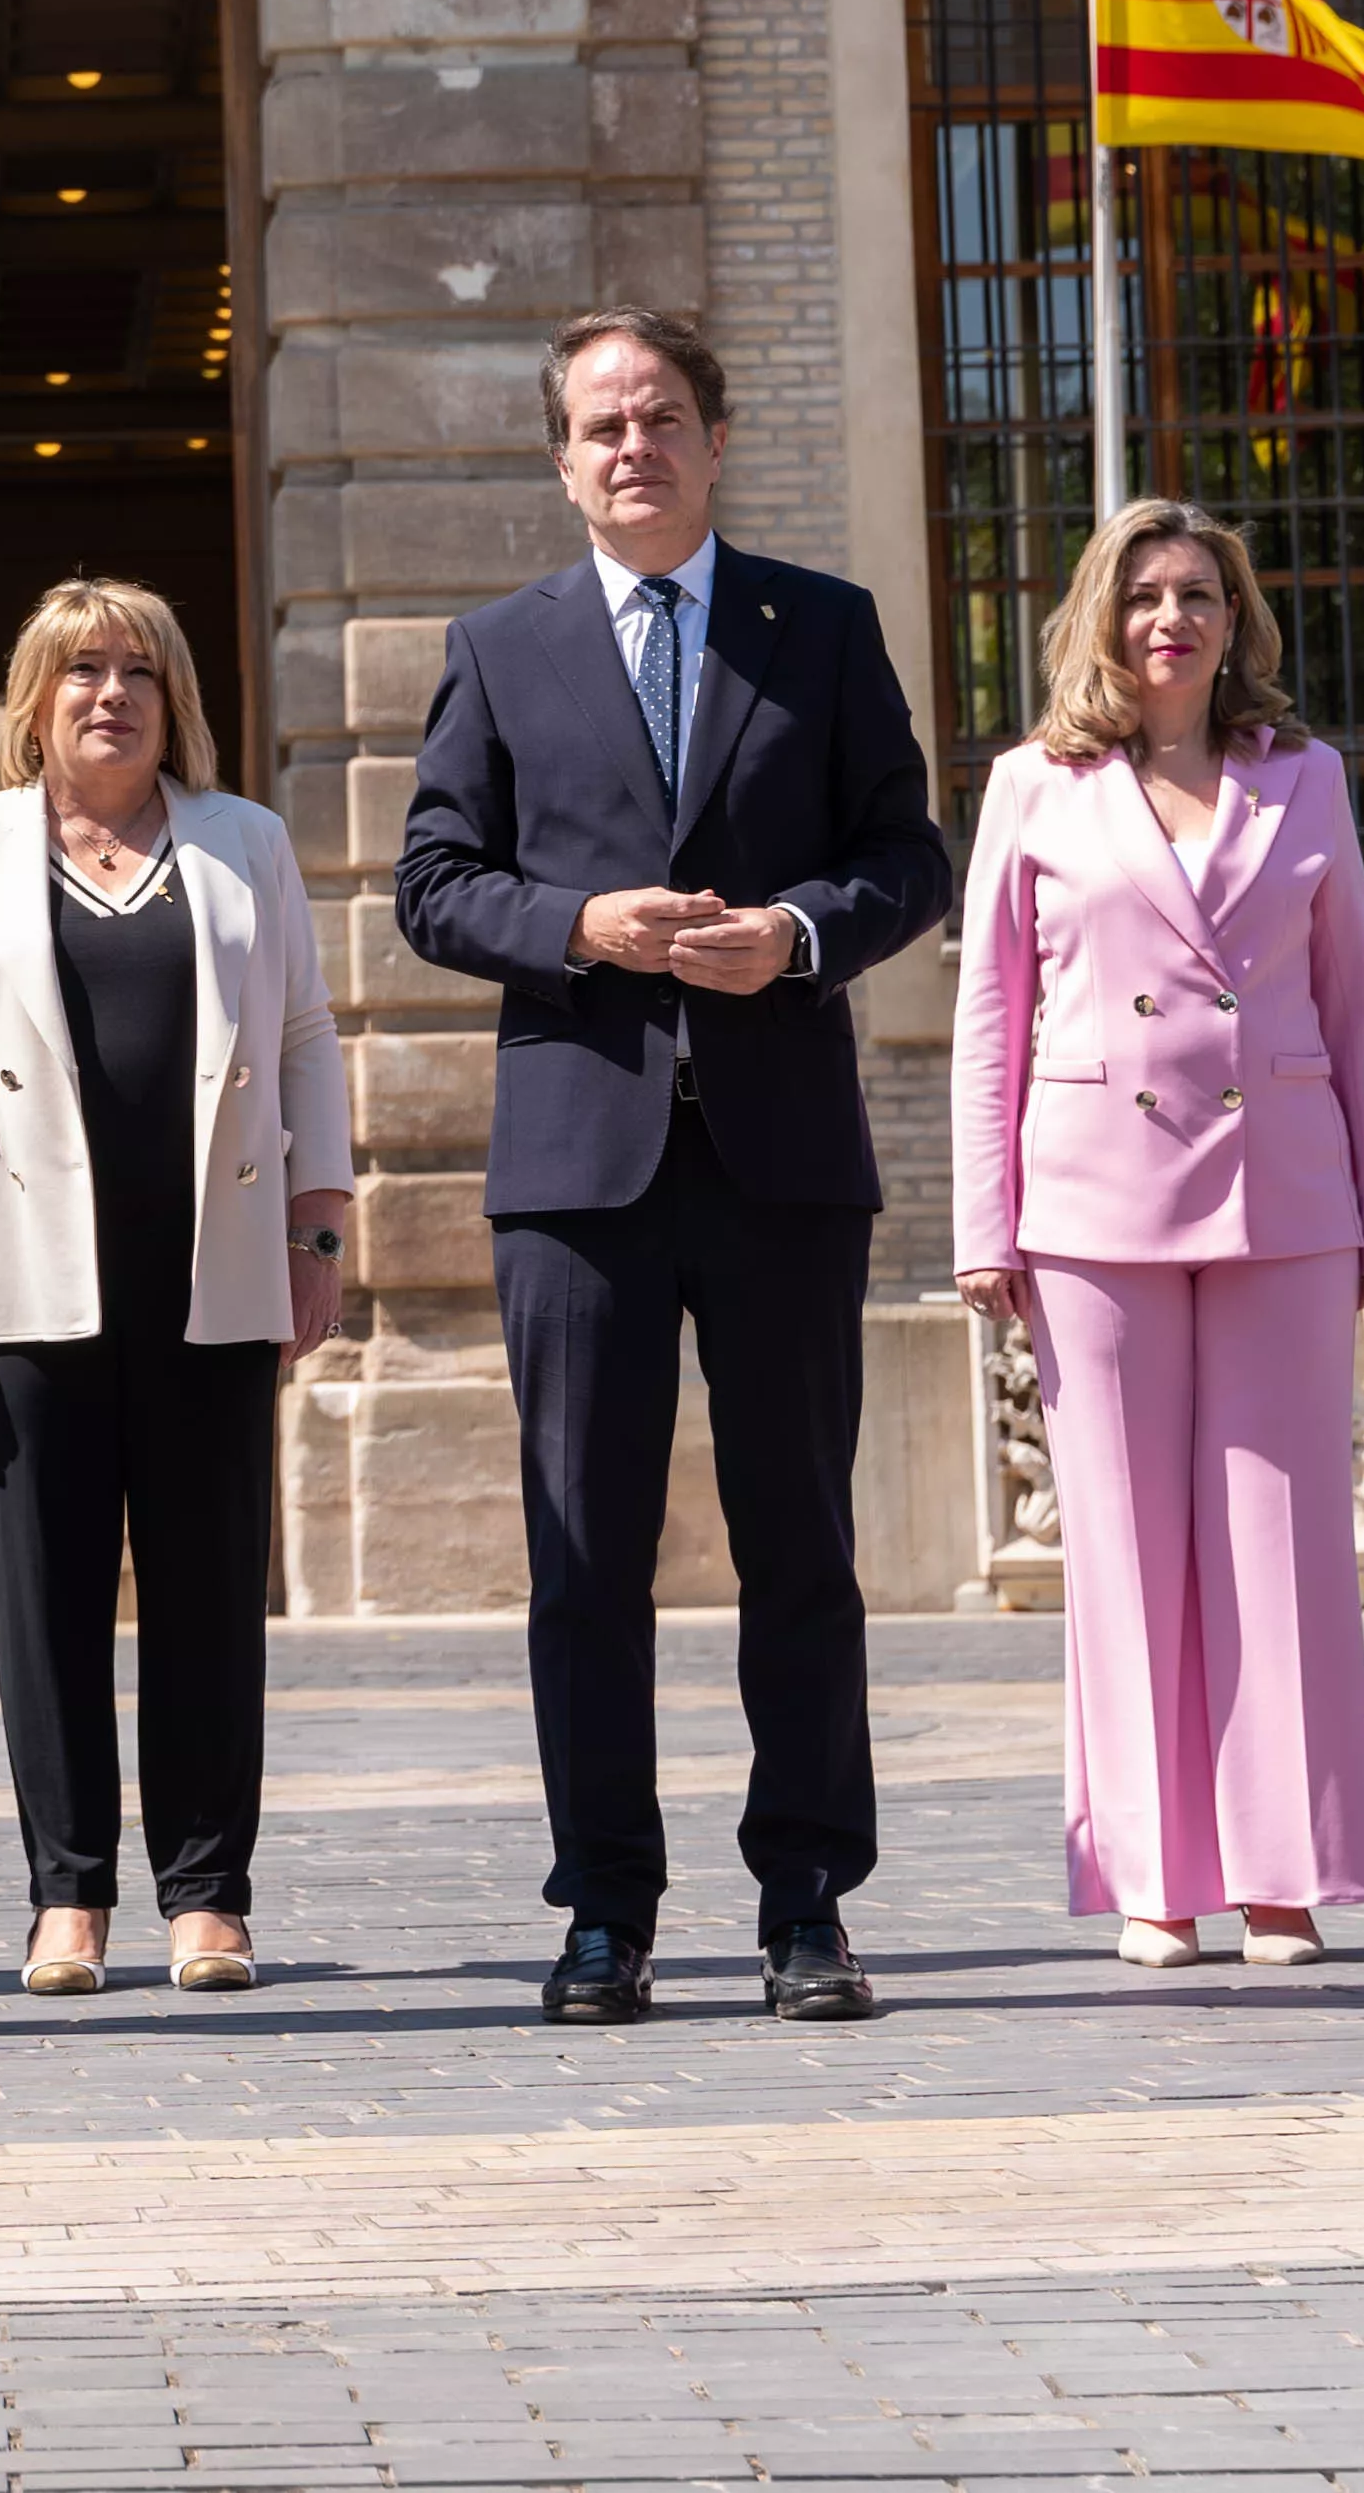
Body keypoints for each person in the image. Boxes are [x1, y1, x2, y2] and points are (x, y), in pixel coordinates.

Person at [392, 305, 953, 2028]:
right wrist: (580, 927)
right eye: (600, 425)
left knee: (801, 1544)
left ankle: (804, 1897)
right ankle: (605, 1905)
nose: (632, 447)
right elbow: (431, 880)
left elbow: (908, 856)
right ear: (563, 463)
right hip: (582, 1164)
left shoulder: (825, 627)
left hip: (782, 1156)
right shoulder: (501, 647)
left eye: (660, 417)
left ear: (714, 440)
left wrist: (790, 936)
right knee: (584, 1553)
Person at [947, 500, 1364, 1972]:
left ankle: (1282, 1876)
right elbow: (990, 1018)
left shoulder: (1310, 779)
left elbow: (1356, 1010)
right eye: (1147, 594)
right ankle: (1155, 1874)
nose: (1174, 619)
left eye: (1201, 595)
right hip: (1091, 1198)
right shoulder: (1036, 785)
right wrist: (986, 1224)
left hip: (1284, 1195)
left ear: (1237, 621)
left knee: (1282, 1544)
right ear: (1104, 614)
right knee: (1126, 1551)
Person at [0, 579, 352, 2002]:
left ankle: (209, 1897)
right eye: (80, 669)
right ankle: (67, 1894)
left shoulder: (243, 842)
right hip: (20, 1270)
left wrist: (321, 1223)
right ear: (36, 700)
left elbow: (305, 1031)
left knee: (211, 1592)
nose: (110, 694)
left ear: (173, 698)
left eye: (138, 670)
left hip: (213, 1265)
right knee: (46, 1596)